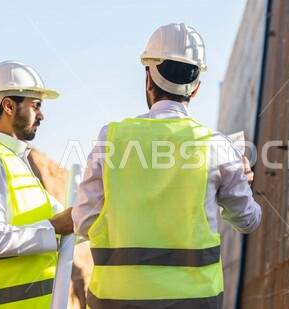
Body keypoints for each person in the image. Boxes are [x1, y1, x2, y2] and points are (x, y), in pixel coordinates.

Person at [73, 23, 262, 308]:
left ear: (148, 78)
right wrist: (243, 183)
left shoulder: (110, 138)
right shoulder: (218, 147)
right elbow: (248, 220)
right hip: (195, 302)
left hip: (115, 300)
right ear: (196, 88)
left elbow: (84, 223)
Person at [0, 60, 74, 308]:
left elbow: (67, 223)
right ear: (8, 105)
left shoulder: (16, 162)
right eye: (36, 106)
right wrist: (55, 227)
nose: (41, 115)